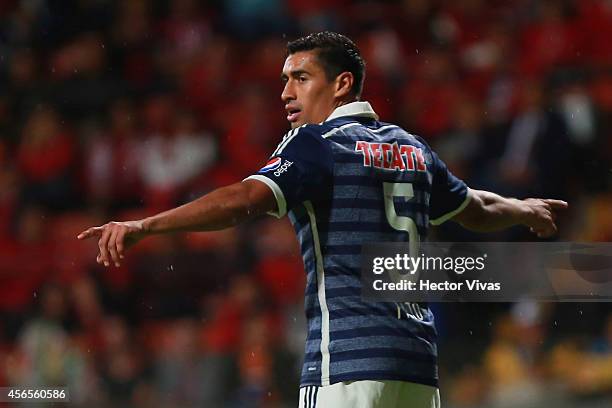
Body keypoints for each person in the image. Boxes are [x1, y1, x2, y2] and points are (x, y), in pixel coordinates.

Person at [78, 32, 567, 408]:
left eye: (300, 78)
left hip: (347, 366)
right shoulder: (411, 147)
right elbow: (475, 209)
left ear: (341, 84)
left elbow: (244, 199)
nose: (287, 92)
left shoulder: (317, 144)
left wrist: (146, 225)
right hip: (416, 367)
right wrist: (525, 210)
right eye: (284, 80)